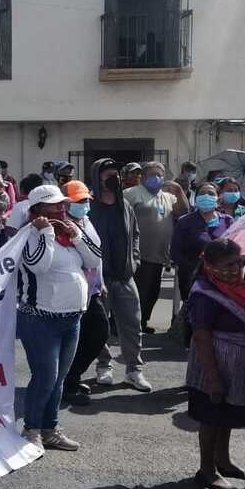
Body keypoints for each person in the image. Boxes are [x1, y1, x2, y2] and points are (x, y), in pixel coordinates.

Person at [15, 185, 102, 451]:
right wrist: (46, 233)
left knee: (58, 379)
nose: (61, 209)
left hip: (72, 318)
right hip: (40, 320)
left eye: (62, 204)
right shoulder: (28, 235)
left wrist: (76, 236)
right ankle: (31, 430)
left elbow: (94, 261)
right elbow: (37, 265)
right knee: (45, 378)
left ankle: (50, 429)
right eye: (53, 205)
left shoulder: (68, 232)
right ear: (37, 210)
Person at [186, 239, 245, 489]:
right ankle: (207, 471)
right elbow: (201, 336)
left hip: (235, 367)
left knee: (226, 416)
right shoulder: (204, 294)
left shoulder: (235, 288)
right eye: (228, 265)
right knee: (211, 418)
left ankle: (223, 460)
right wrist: (213, 379)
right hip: (213, 365)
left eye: (238, 262)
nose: (235, 269)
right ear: (209, 266)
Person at [89, 158, 152, 392]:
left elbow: (135, 233)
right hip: (99, 279)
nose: (113, 178)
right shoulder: (90, 206)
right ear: (97, 177)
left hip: (125, 276)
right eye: (108, 175)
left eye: (116, 174)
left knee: (132, 325)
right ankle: (103, 366)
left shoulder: (124, 204)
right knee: (100, 327)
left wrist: (135, 259)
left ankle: (134, 370)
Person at [61, 181, 109, 407]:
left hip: (93, 290)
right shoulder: (62, 225)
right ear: (66, 203)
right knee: (77, 339)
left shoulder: (86, 220)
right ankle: (67, 383)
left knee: (99, 333)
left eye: (86, 200)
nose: (84, 204)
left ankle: (72, 376)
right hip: (74, 292)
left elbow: (96, 254)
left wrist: (101, 281)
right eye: (79, 201)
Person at [124, 162, 178, 335]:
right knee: (138, 290)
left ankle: (143, 320)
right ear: (143, 177)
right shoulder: (131, 193)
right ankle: (130, 323)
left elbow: (183, 211)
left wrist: (178, 189)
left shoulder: (168, 196)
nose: (156, 178)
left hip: (159, 254)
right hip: (137, 253)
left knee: (153, 291)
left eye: (159, 175)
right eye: (152, 174)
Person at [171, 183, 235, 310]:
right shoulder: (184, 221)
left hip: (221, 278)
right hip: (193, 279)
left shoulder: (228, 221)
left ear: (218, 198)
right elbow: (175, 252)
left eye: (211, 193)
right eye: (202, 193)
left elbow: (234, 249)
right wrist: (194, 268)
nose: (206, 196)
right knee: (196, 313)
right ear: (196, 198)